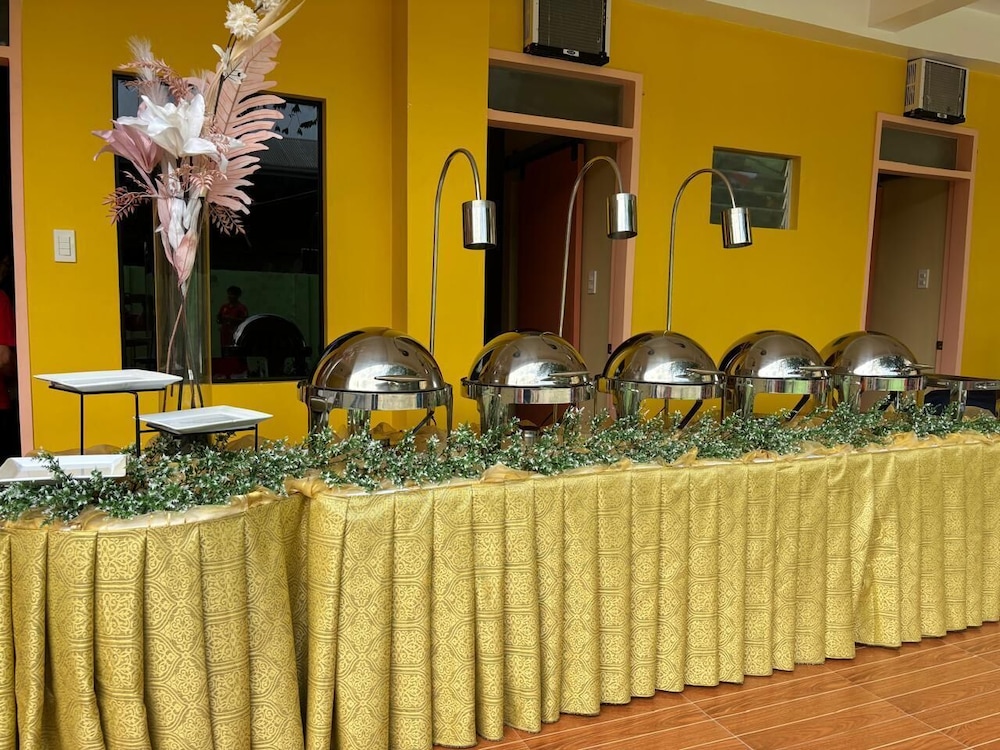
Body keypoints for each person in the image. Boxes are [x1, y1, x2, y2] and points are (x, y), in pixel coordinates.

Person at [217, 285, 249, 350]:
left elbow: (245, 321)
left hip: (235, 334)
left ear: (237, 296)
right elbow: (219, 319)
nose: (230, 296)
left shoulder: (241, 308)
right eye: (229, 294)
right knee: (224, 350)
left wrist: (232, 319)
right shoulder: (224, 307)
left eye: (232, 294)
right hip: (225, 334)